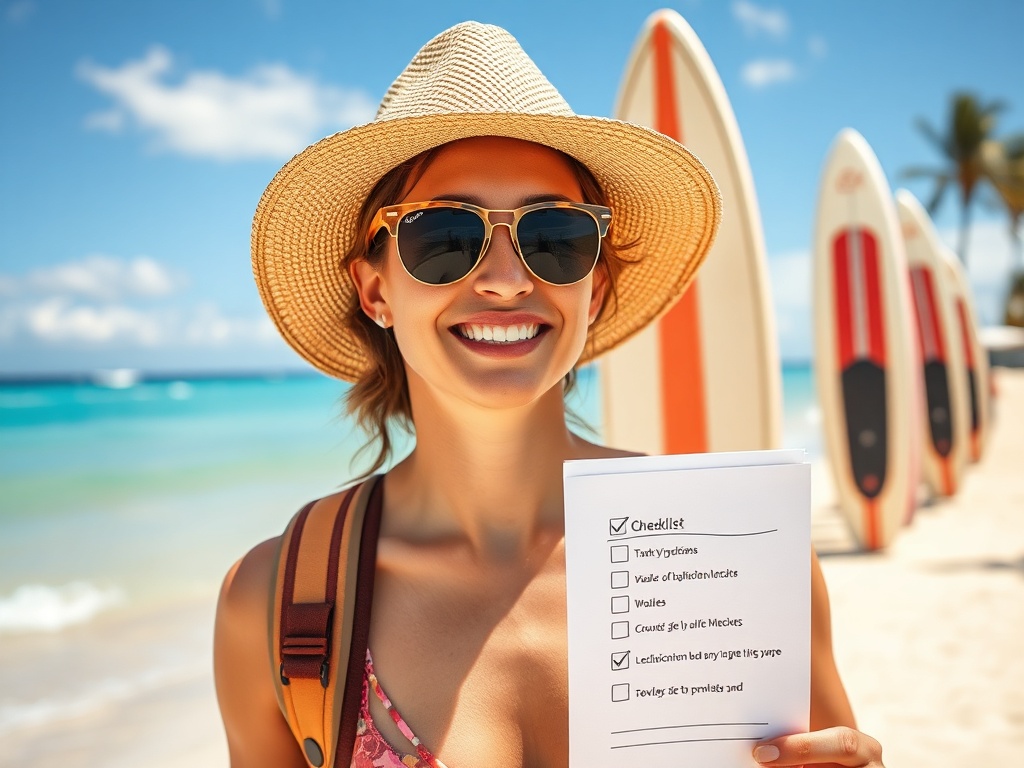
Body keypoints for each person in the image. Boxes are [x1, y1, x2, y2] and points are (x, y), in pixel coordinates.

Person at [214, 21, 884, 768]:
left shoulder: (743, 554)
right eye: (444, 238)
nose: (506, 280)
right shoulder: (276, 606)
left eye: (555, 238)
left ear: (592, 289)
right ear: (375, 290)